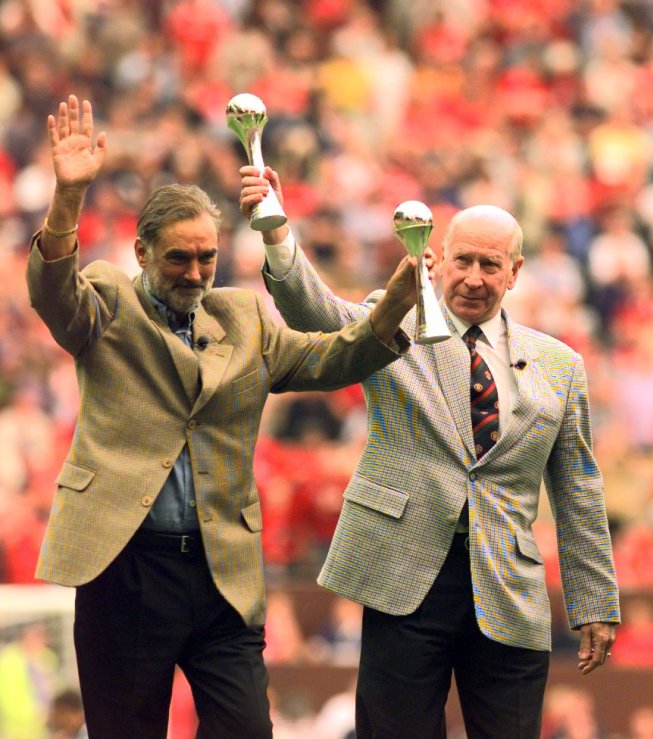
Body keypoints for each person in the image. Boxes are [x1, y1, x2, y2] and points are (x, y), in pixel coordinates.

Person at [27, 95, 422, 739]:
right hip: (124, 566)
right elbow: (54, 294)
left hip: (221, 571)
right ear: (142, 252)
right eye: (178, 257)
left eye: (206, 257)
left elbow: (331, 360)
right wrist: (68, 198)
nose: (195, 271)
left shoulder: (243, 317)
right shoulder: (110, 299)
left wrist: (389, 313)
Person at [240, 165, 620, 738]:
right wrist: (275, 232)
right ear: (437, 259)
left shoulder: (559, 365)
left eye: (489, 265)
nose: (472, 277)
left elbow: (578, 489)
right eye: (461, 260)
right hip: (403, 574)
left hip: (508, 586)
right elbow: (313, 314)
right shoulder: (396, 322)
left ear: (514, 272)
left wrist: (594, 599)